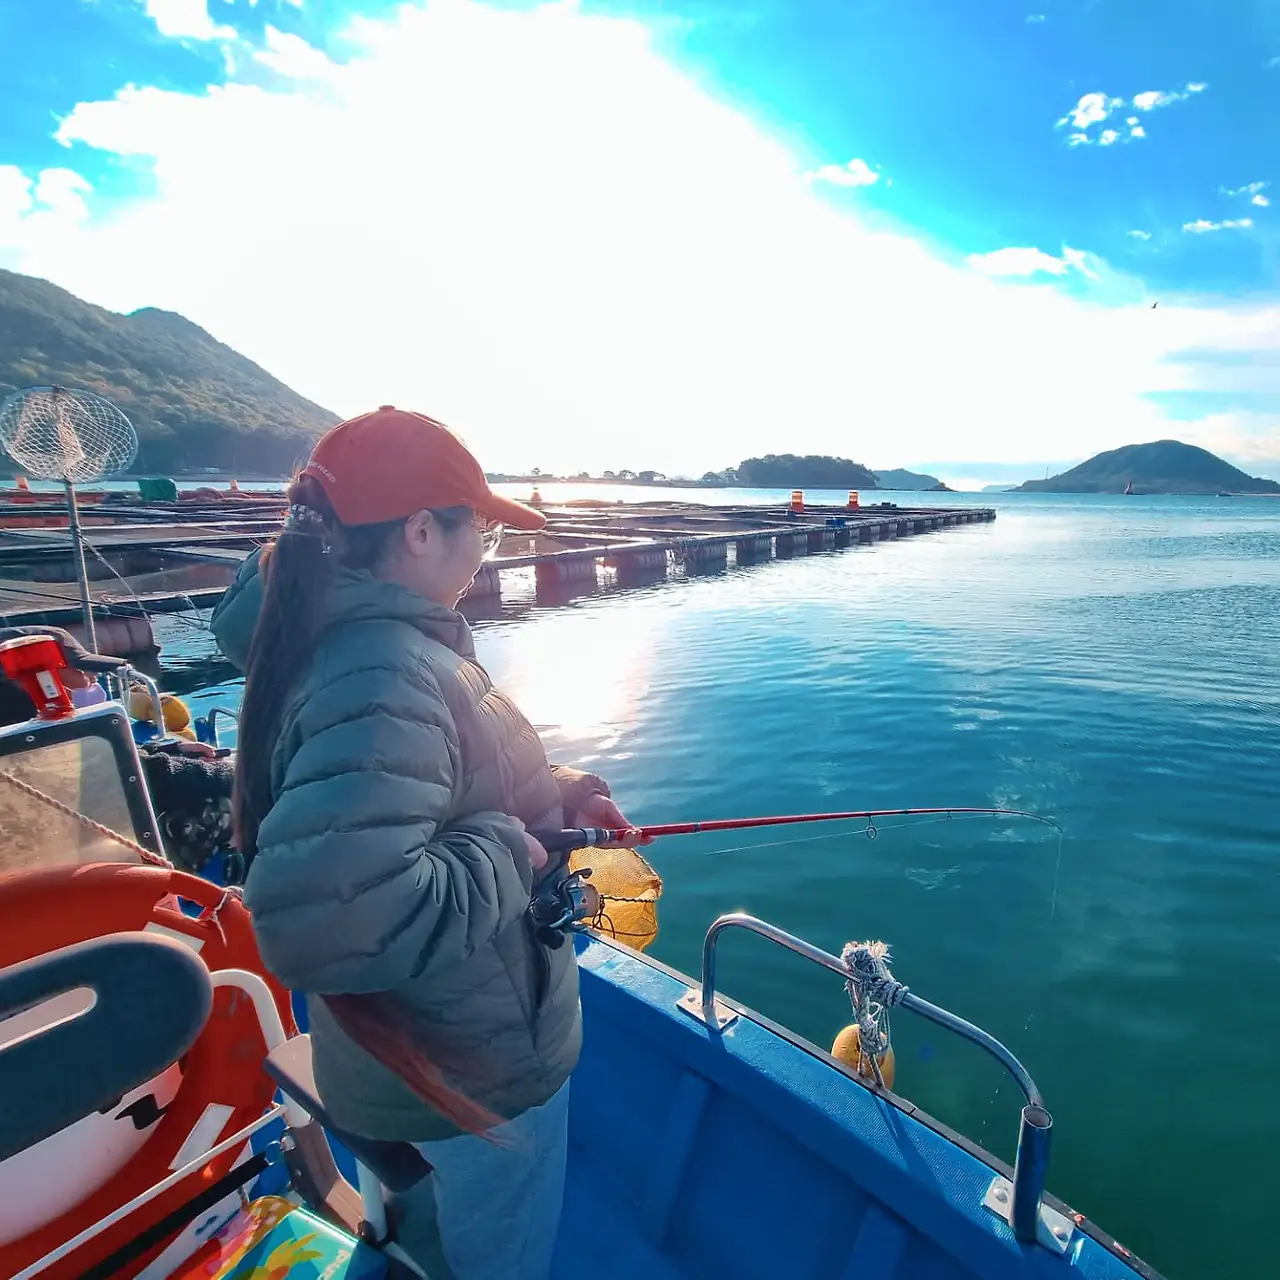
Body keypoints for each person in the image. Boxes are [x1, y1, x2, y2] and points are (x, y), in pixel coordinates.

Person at [211, 406, 644, 1280]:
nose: (485, 549)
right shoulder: (383, 670)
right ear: (417, 532)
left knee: (417, 1222)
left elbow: (411, 788)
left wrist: (554, 793)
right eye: (478, 527)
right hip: (465, 1077)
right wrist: (511, 851)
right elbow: (326, 920)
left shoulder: (340, 639)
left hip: (398, 1057)